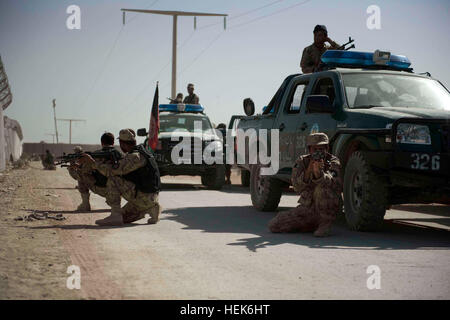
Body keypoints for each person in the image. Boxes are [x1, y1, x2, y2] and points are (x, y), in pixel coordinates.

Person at [79, 129, 161, 226]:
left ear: (123, 143)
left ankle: (115, 214)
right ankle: (151, 208)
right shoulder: (142, 152)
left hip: (143, 197)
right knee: (124, 218)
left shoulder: (135, 157)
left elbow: (112, 171)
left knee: (113, 179)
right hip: (149, 197)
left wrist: (93, 163)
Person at [268, 133, 342, 237]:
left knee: (321, 187)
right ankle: (311, 224)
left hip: (327, 207)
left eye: (321, 149)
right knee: (275, 225)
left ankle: (325, 224)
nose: (318, 152)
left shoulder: (333, 161)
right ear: (309, 149)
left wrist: (319, 174)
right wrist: (308, 171)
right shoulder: (302, 161)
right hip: (308, 207)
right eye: (315, 149)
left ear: (327, 148)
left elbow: (335, 183)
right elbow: (297, 188)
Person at [67, 133, 122, 212]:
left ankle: (85, 204)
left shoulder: (94, 155)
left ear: (102, 143)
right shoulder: (120, 155)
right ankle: (117, 205)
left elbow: (83, 171)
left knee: (81, 173)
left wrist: (74, 167)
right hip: (118, 191)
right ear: (113, 143)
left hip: (102, 188)